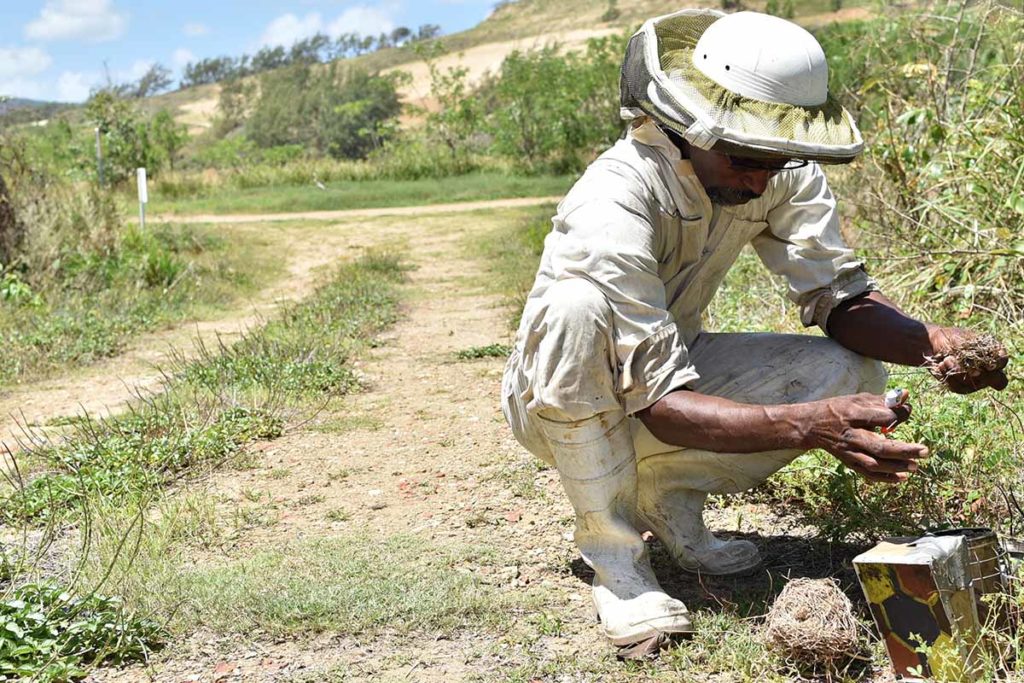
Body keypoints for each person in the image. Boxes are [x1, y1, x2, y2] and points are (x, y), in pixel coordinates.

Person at [500, 8, 1009, 657]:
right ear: (689, 128)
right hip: (561, 397)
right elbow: (659, 403)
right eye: (746, 158)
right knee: (575, 308)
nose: (761, 179)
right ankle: (615, 556)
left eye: (777, 159)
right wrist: (808, 425)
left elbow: (838, 297)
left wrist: (933, 343)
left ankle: (665, 497)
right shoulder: (615, 199)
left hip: (674, 365)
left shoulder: (767, 168)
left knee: (849, 371)